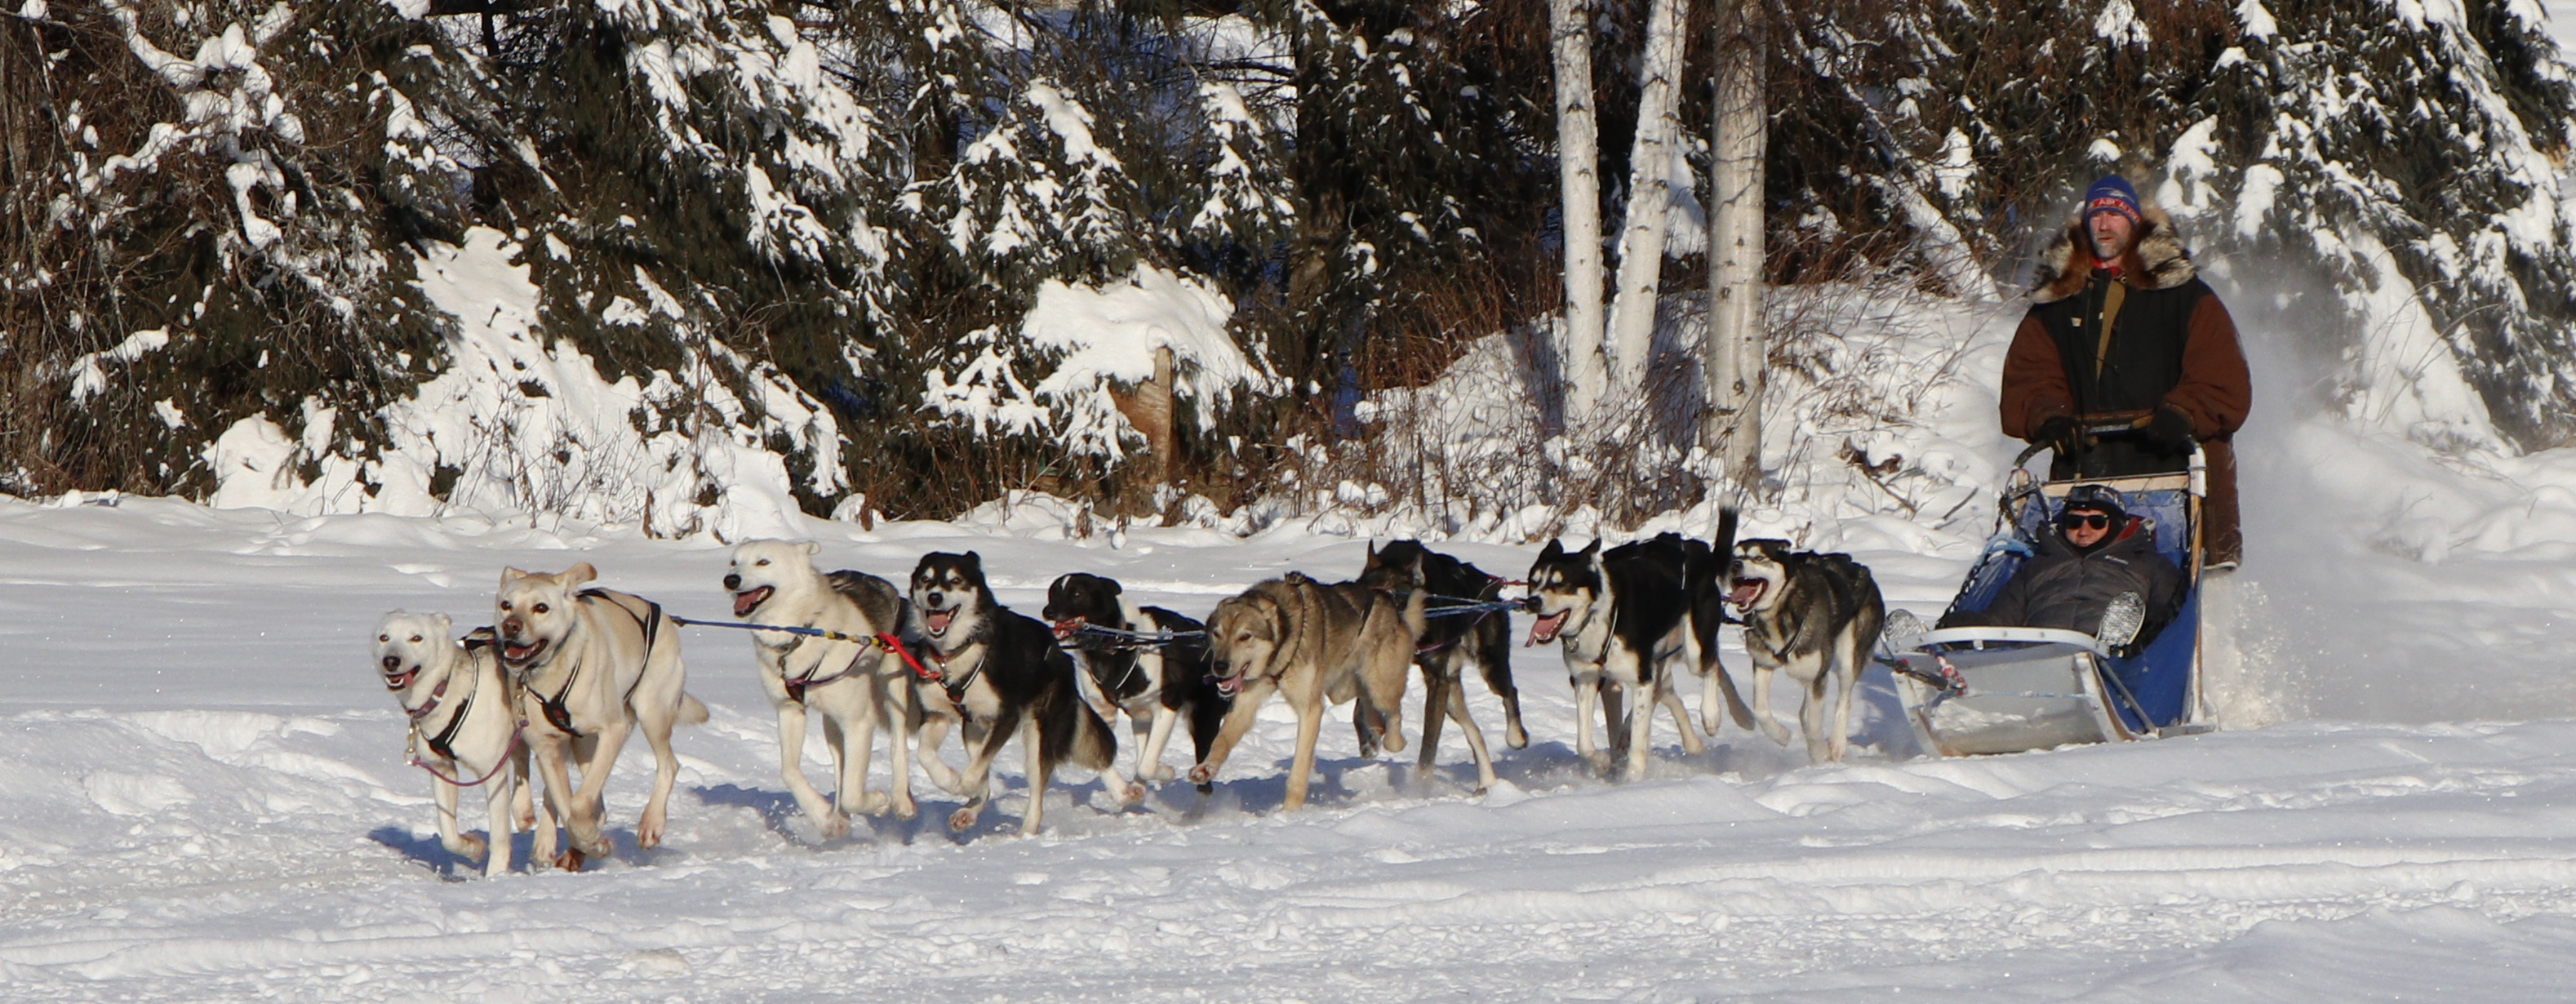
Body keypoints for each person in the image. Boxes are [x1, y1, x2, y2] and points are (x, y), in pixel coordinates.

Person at [2000, 175, 2251, 569]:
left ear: (2135, 224)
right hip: (2086, 471)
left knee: (2173, 583)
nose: (2104, 224)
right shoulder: (2058, 302)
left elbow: (2221, 375)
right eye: (2097, 214)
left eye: (2116, 214)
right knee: (2069, 580)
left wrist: (2182, 412)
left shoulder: (2184, 295)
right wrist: (2049, 416)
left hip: (2170, 467)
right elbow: (2031, 375)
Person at [1940, 485, 2184, 646]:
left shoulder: (2150, 564)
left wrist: (2143, 641)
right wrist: (1962, 628)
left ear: (2119, 525)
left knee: (2126, 628)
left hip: (2115, 659)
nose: (2083, 530)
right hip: (2038, 653)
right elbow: (2001, 621)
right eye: (2074, 521)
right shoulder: (2037, 566)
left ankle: (2111, 641)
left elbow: (2171, 619)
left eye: (2097, 522)